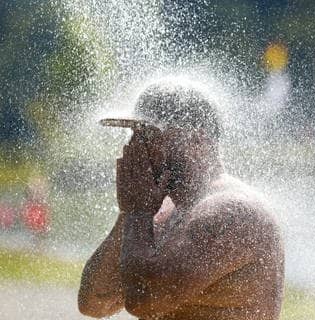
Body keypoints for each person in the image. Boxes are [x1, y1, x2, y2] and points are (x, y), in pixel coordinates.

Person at [78, 80, 285, 320]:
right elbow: (94, 303)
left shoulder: (230, 211)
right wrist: (129, 213)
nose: (136, 147)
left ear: (198, 141)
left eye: (148, 135)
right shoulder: (165, 212)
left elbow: (143, 299)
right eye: (134, 135)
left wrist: (136, 211)